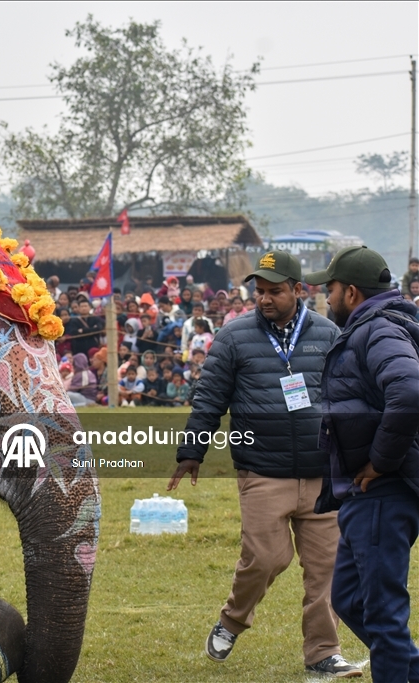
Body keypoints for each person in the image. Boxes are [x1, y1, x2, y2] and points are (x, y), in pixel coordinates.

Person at [167, 250, 359, 677]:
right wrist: (192, 451)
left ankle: (323, 653)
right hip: (262, 471)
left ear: (297, 290)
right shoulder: (234, 337)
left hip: (321, 473)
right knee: (266, 559)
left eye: (275, 291)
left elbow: (349, 398)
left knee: (326, 570)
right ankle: (232, 621)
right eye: (260, 292)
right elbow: (210, 397)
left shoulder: (329, 334)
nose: (265, 299)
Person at [304, 246, 419, 682]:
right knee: (350, 598)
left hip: (382, 493)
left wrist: (380, 461)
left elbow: (408, 392)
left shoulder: (378, 331)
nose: (326, 298)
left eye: (329, 288)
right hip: (362, 495)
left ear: (351, 292)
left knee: (381, 611)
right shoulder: (375, 326)